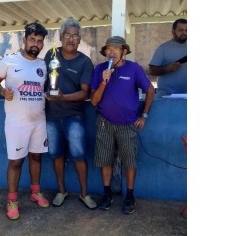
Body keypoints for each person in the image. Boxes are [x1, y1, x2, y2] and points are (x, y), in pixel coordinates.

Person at [0, 23, 49, 220]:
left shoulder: (43, 65)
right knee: (15, 162)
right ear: (24, 40)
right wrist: (2, 92)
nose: (36, 44)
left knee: (36, 158)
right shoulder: (9, 60)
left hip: (39, 121)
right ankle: (12, 200)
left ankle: (35, 192)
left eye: (39, 41)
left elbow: (45, 88)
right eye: (32, 39)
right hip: (16, 123)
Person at [91, 36, 155, 214]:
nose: (111, 53)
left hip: (128, 124)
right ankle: (107, 194)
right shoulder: (100, 69)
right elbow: (94, 102)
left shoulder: (134, 69)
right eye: (108, 50)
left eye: (115, 49)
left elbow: (150, 90)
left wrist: (144, 115)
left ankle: (129, 196)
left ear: (124, 52)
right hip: (104, 123)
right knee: (105, 160)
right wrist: (104, 81)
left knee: (129, 161)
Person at [43, 18, 97, 210]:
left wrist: (62, 98)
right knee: (56, 155)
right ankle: (61, 191)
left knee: (79, 156)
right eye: (68, 35)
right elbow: (42, 80)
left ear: (80, 39)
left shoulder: (84, 61)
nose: (71, 39)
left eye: (75, 36)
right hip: (51, 117)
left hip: (74, 117)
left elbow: (85, 93)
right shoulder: (51, 55)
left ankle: (84, 194)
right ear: (60, 36)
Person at [149, 18, 187, 97]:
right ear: (173, 31)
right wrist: (166, 69)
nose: (184, 33)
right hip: (167, 97)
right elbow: (152, 71)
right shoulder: (162, 48)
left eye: (186, 30)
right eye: (180, 30)